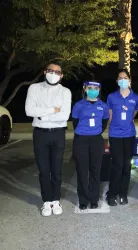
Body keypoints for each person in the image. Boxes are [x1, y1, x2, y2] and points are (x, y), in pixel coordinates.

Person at [25, 62, 72, 216]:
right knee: (44, 170)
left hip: (58, 134)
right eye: (51, 70)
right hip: (40, 134)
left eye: (57, 72)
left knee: (57, 170)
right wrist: (52, 110)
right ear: (45, 72)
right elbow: (29, 110)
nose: (54, 74)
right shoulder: (34, 88)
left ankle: (55, 200)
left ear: (62, 75)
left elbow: (64, 116)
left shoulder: (65, 92)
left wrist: (41, 114)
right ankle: (46, 201)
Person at [106, 69, 138, 206]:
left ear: (129, 80)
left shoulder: (136, 97)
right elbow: (110, 116)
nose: (123, 80)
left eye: (125, 78)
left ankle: (123, 194)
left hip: (129, 135)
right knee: (117, 165)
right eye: (120, 78)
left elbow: (134, 113)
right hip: (115, 135)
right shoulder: (111, 97)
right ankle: (112, 194)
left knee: (127, 165)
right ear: (117, 81)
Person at [72, 81, 109, 210]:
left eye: (96, 88)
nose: (93, 90)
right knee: (82, 171)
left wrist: (94, 132)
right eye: (90, 88)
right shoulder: (78, 105)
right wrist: (85, 132)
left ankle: (94, 199)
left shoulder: (103, 106)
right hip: (81, 140)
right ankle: (83, 199)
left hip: (96, 140)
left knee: (95, 170)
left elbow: (104, 123)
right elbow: (75, 123)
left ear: (99, 90)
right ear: (85, 89)